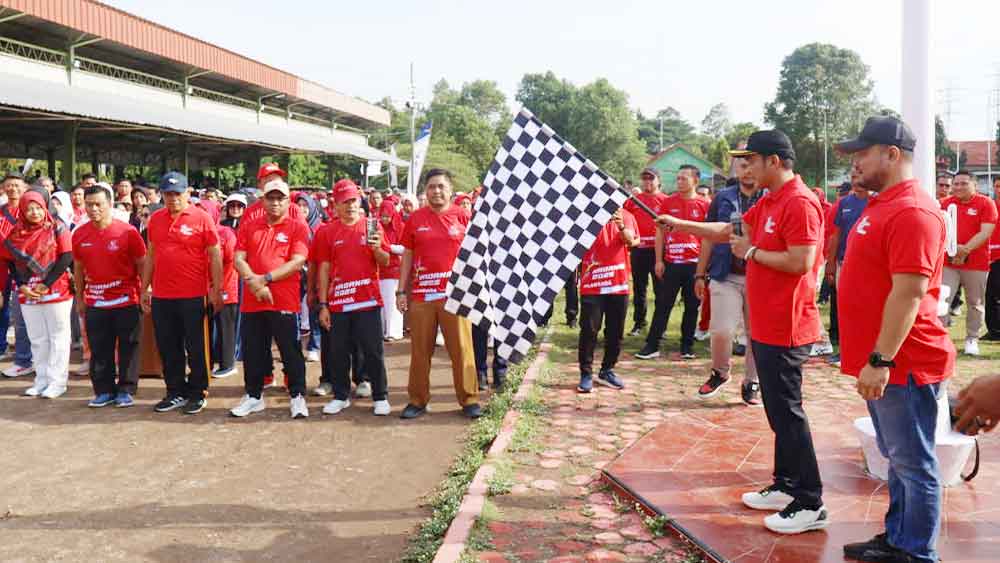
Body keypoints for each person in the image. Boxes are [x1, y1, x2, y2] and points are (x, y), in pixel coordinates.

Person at [658, 130, 826, 534]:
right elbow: (727, 232)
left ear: (774, 161)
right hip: (767, 324)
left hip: (787, 326)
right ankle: (786, 484)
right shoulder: (770, 199)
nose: (743, 167)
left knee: (788, 414)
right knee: (778, 413)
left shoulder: (800, 202)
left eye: (750, 160)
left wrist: (750, 253)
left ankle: (810, 501)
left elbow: (801, 261)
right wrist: (681, 224)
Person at [836, 115, 956, 563]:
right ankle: (898, 538)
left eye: (862, 153)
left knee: (913, 463)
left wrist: (880, 360)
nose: (855, 162)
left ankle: (917, 553)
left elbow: (909, 293)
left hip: (904, 363)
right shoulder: (882, 204)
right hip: (887, 361)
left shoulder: (912, 212)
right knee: (897, 458)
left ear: (891, 154)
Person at [397, 169, 481, 419]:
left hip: (456, 296)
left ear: (450, 190)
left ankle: (469, 400)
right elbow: (407, 255)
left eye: (441, 186)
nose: (436, 191)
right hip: (422, 296)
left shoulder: (464, 216)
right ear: (425, 191)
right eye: (432, 186)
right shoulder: (415, 219)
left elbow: (477, 254)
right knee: (420, 352)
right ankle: (417, 400)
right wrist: (401, 290)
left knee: (462, 349)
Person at [142, 172, 223, 415]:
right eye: (168, 194)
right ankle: (175, 391)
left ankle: (198, 392)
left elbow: (215, 255)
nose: (173, 198)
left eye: (177, 193)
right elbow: (151, 255)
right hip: (163, 295)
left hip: (194, 294)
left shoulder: (201, 218)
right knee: (168, 346)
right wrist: (145, 288)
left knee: (197, 347)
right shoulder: (156, 219)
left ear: (187, 193)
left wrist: (216, 288)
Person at [229, 178, 310, 418]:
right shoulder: (249, 226)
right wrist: (254, 282)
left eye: (280, 198)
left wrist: (264, 279)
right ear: (263, 201)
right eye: (270, 198)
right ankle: (253, 396)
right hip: (253, 299)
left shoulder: (297, 227)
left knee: (290, 350)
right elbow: (238, 258)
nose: (275, 203)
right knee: (254, 351)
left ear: (288, 202)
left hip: (283, 299)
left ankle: (297, 396)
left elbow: (298, 261)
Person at [315, 180, 392, 416]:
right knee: (338, 352)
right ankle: (340, 396)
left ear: (360, 202)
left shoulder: (371, 226)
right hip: (339, 303)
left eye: (353, 201)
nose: (350, 206)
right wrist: (323, 305)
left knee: (373, 351)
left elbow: (385, 261)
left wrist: (377, 248)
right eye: (344, 202)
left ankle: (380, 396)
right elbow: (324, 269)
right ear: (335, 205)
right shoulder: (327, 231)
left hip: (368, 301)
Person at [693, 156, 763, 404]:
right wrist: (699, 274)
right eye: (743, 166)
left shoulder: (770, 197)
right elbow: (709, 236)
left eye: (752, 165)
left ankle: (752, 381)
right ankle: (720, 372)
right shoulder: (723, 197)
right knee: (721, 329)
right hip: (725, 274)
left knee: (757, 334)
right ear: (736, 169)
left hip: (760, 275)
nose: (748, 171)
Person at [72, 185, 147, 407]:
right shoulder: (80, 234)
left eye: (98, 204)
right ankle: (103, 390)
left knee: (128, 347)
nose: (93, 209)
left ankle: (126, 389)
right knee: (99, 349)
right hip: (96, 302)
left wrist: (145, 291)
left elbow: (142, 263)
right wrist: (80, 298)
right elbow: (78, 268)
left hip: (126, 300)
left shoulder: (127, 232)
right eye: (89, 205)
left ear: (110, 205)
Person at [0, 190, 74, 398]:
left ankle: (57, 382)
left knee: (58, 337)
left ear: (44, 208)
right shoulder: (16, 233)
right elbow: (11, 262)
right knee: (37, 338)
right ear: (22, 211)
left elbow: (66, 257)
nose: (34, 212)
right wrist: (22, 285)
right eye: (29, 209)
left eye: (38, 208)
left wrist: (46, 284)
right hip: (28, 291)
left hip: (56, 289)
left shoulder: (57, 226)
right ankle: (41, 381)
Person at [636, 164, 709, 360]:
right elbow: (660, 233)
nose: (679, 181)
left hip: (694, 265)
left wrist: (704, 267)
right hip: (671, 263)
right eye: (678, 178)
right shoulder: (668, 202)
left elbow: (708, 237)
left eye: (684, 178)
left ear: (695, 181)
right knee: (663, 304)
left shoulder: (704, 204)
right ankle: (652, 345)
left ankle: (687, 346)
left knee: (692, 307)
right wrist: (659, 260)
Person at [576, 207, 639, 393]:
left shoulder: (626, 215)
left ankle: (607, 370)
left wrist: (620, 226)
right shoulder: (585, 213)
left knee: (615, 331)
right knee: (589, 330)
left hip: (618, 284)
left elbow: (632, 241)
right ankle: (586, 373)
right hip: (592, 282)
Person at [939, 170, 997, 356]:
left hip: (976, 263)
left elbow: (986, 231)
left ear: (975, 185)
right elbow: (938, 230)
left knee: (975, 302)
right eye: (956, 184)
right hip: (948, 263)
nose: (958, 187)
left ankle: (972, 338)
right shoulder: (945, 204)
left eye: (964, 183)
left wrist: (964, 250)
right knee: (942, 300)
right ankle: (939, 339)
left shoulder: (985, 203)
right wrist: (952, 249)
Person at [623, 167, 668, 336]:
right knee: (639, 289)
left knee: (661, 291)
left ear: (658, 180)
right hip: (639, 250)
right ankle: (639, 323)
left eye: (651, 178)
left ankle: (660, 327)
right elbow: (624, 218)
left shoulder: (666, 200)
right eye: (644, 178)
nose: (647, 181)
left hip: (659, 252)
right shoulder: (634, 200)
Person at [0, 172, 35, 379]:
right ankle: (22, 359)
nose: (12, 189)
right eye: (9, 185)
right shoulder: (1, 212)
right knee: (17, 316)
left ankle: (33, 359)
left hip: (29, 271)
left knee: (32, 317)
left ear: (25, 188)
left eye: (16, 185)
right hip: (5, 268)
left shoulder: (32, 211)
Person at [210, 213, 239, 379]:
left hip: (226, 287)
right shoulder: (199, 233)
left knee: (225, 327)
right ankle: (209, 363)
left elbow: (230, 260)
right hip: (206, 288)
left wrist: (219, 287)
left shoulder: (226, 233)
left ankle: (228, 364)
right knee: (209, 329)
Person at [378, 199, 405, 341]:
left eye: (387, 216)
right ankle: (383, 330)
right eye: (382, 216)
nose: (385, 219)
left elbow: (405, 249)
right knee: (382, 303)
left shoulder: (400, 227)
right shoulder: (377, 227)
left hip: (393, 270)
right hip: (379, 270)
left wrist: (388, 247)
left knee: (392, 302)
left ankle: (393, 332)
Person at [986, 178, 1000, 341]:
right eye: (997, 186)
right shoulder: (990, 206)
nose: (999, 189)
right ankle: (994, 330)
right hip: (990, 257)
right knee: (990, 295)